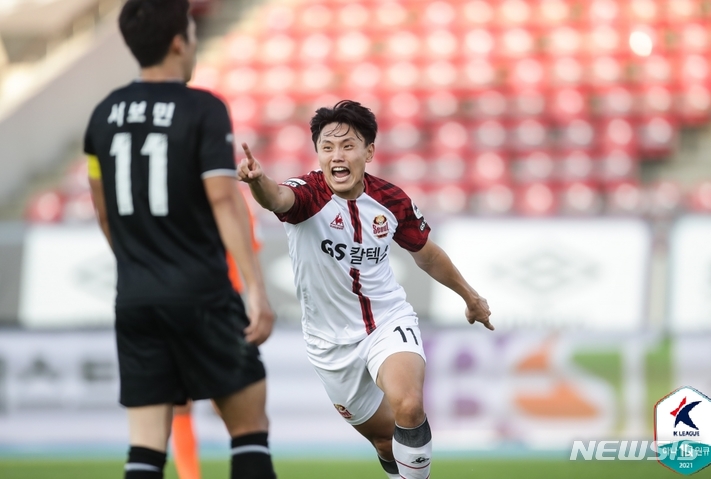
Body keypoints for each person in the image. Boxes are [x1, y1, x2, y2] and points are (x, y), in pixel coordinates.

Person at [236, 100, 494, 479]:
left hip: (387, 321)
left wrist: (470, 297)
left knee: (408, 405)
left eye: (348, 146)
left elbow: (426, 254)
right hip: (329, 343)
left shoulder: (391, 200)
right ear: (318, 153)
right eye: (327, 147)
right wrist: (259, 182)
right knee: (386, 440)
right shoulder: (308, 194)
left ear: (368, 152)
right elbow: (278, 198)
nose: (336, 156)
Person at [84, 1, 277, 478]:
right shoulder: (203, 108)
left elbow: (104, 213)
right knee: (249, 430)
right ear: (178, 42)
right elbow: (223, 200)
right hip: (203, 294)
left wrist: (140, 268)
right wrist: (254, 288)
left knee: (146, 449)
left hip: (135, 299)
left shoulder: (102, 116)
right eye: (192, 31)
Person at [171, 187, 263, 479]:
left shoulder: (231, 196)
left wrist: (253, 298)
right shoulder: (231, 195)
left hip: (216, 304)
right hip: (208, 304)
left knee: (233, 408)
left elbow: (248, 247)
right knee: (184, 402)